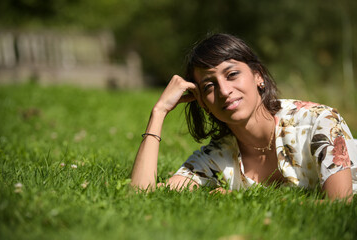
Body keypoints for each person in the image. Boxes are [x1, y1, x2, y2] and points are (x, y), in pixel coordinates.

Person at [131, 33, 357, 201]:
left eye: (232, 75)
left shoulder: (319, 121)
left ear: (258, 76)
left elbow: (339, 204)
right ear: (203, 103)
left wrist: (237, 197)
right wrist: (159, 111)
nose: (224, 90)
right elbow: (141, 194)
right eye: (209, 86)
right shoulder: (217, 155)